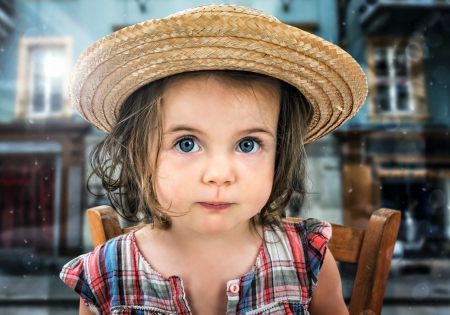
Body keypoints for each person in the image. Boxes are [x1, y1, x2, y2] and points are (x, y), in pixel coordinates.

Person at [60, 4, 367, 315]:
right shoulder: (104, 275)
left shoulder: (307, 259)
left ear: (280, 153)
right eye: (186, 143)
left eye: (248, 144)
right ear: (139, 153)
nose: (219, 174)